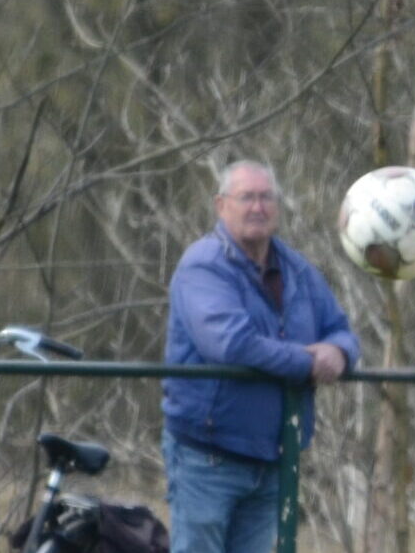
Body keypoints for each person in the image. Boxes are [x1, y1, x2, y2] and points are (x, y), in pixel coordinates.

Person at [164, 160, 361, 553]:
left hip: (274, 457)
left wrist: (339, 352)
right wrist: (309, 363)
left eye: (266, 197)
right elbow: (232, 343)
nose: (258, 207)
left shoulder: (296, 269)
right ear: (221, 206)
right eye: (247, 197)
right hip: (208, 456)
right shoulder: (203, 265)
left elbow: (340, 328)